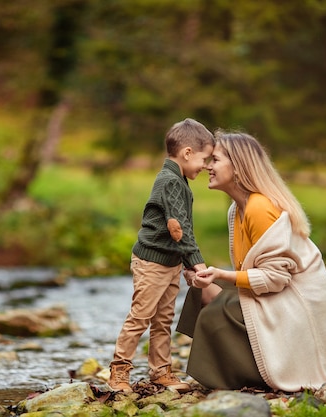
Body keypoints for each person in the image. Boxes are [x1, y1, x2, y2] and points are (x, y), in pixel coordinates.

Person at [177, 130, 326, 392]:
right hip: (278, 292)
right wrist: (201, 274)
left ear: (238, 168)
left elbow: (277, 279)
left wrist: (222, 276)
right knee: (200, 292)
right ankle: (227, 366)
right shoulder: (236, 209)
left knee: (215, 313)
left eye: (216, 160)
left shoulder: (259, 208)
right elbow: (254, 273)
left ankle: (252, 374)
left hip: (298, 304)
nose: (208, 167)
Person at [108, 118, 214, 393]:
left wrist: (186, 264)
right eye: (204, 159)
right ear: (187, 152)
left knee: (163, 319)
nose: (205, 166)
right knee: (141, 316)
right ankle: (119, 372)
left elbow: (181, 231)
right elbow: (180, 230)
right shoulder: (170, 182)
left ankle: (160, 370)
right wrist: (198, 264)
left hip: (170, 263)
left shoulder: (177, 180)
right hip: (152, 262)